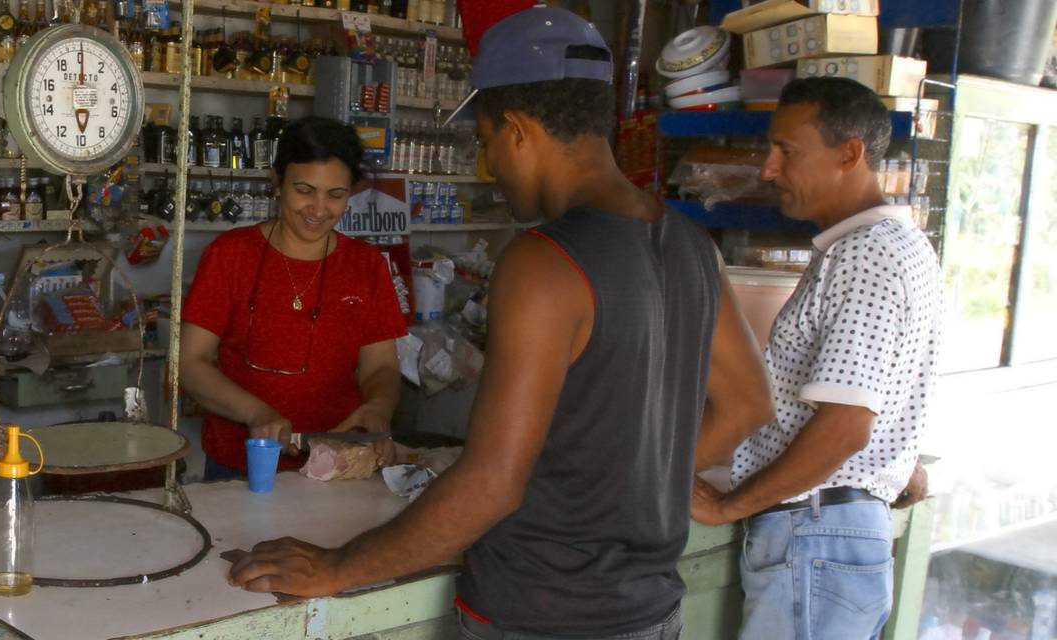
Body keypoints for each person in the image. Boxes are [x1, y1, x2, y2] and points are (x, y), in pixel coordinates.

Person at [226, 7, 774, 638]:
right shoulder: (692, 246)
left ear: (516, 130)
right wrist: (623, 481)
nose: (492, 165)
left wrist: (337, 567)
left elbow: (491, 484)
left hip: (538, 612)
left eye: (486, 143)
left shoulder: (545, 263)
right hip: (649, 611)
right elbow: (746, 406)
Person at [690, 77, 943, 639]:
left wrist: (731, 508)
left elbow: (845, 429)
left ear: (849, 153)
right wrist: (898, 466)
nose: (768, 169)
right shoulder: (902, 245)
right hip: (833, 527)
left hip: (815, 529)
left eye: (788, 151)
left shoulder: (866, 257)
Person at [178, 117, 406, 479]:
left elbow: (380, 367)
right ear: (277, 183)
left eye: (335, 195)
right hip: (241, 466)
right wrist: (256, 413)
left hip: (341, 465)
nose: (318, 209)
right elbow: (192, 364)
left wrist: (378, 408)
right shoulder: (230, 255)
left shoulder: (366, 265)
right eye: (304, 190)